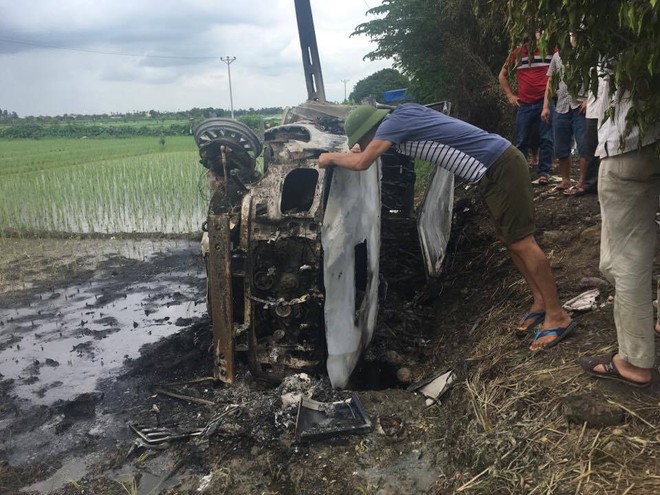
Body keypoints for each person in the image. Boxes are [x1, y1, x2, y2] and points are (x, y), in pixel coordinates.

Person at [318, 103, 575, 350]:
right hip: (492, 168)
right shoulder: (402, 115)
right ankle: (540, 301)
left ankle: (557, 314)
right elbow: (363, 152)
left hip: (500, 166)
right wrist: (352, 151)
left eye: (362, 140)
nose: (362, 145)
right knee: (511, 241)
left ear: (371, 130)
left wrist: (330, 157)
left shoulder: (392, 125)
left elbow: (363, 162)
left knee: (522, 241)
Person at [578, 82, 660, 387]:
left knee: (625, 258)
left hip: (632, 141)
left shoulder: (614, 34)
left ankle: (634, 362)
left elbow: (626, 78)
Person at [499, 32, 555, 184]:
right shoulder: (516, 54)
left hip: (544, 101)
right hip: (525, 104)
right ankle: (521, 173)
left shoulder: (549, 50)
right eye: (527, 40)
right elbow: (502, 75)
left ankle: (544, 172)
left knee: (546, 138)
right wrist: (510, 96)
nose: (530, 42)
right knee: (521, 139)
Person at [541, 39, 588, 195]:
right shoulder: (557, 57)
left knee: (583, 144)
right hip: (561, 106)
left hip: (580, 105)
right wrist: (546, 106)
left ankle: (582, 181)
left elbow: (597, 78)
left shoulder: (586, 53)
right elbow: (551, 81)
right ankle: (565, 179)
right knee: (560, 145)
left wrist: (590, 99)